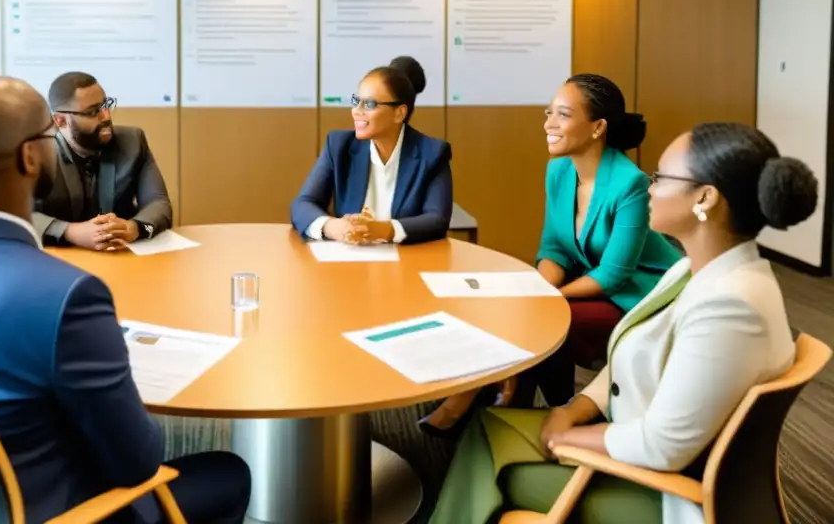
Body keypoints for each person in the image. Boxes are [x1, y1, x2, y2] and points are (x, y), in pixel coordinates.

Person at [0, 76, 251, 524]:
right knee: (229, 472)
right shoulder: (67, 296)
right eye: (50, 136)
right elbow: (138, 459)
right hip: (49, 511)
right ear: (31, 155)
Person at [429, 122, 817, 524]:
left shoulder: (731, 306)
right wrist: (575, 409)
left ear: (705, 198)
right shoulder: (691, 269)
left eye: (662, 177)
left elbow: (664, 446)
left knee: (487, 460)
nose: (649, 187)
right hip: (631, 439)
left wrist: (569, 437)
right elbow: (626, 354)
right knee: (484, 425)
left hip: (658, 490)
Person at [420, 74, 680, 437]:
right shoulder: (559, 170)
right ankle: (522, 408)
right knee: (534, 312)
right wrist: (537, 289)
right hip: (590, 281)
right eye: (548, 113)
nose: (548, 124)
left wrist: (547, 296)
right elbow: (555, 246)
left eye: (563, 115)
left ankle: (491, 404)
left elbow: (614, 275)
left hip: (641, 295)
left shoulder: (630, 184)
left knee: (546, 318)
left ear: (597, 127)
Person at [291, 56, 452, 245]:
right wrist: (334, 227)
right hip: (349, 261)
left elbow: (437, 220)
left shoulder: (432, 153)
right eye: (356, 101)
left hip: (407, 262)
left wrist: (383, 230)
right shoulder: (338, 146)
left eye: (369, 104)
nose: (357, 111)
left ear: (399, 113)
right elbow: (302, 204)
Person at [33, 71, 172, 251]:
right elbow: (15, 215)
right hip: (60, 260)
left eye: (106, 105)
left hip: (121, 258)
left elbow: (158, 202)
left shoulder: (133, 142)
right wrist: (70, 231)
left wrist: (135, 228)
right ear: (60, 120)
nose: (106, 116)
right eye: (92, 112)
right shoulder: (38, 153)